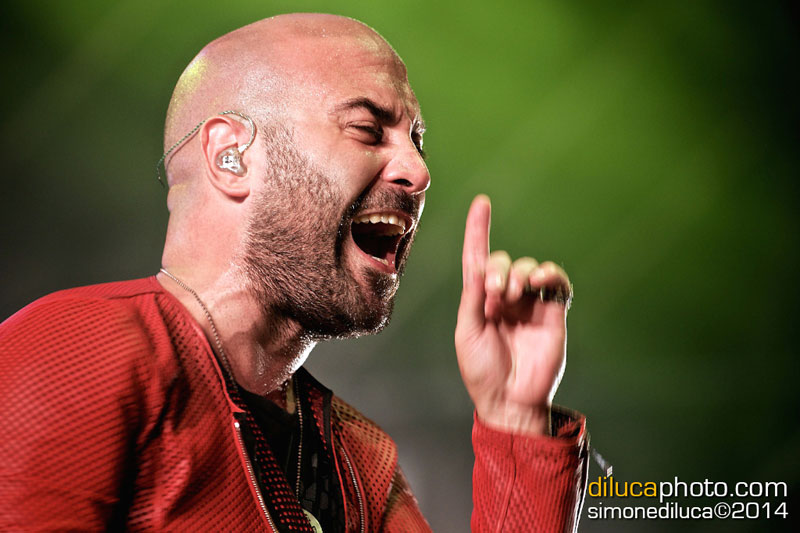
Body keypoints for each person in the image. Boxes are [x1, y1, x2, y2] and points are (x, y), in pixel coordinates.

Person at [0, 13, 588, 532]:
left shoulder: (359, 460)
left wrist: (516, 421)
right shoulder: (77, 353)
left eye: (416, 141)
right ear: (231, 156)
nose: (418, 171)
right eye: (367, 129)